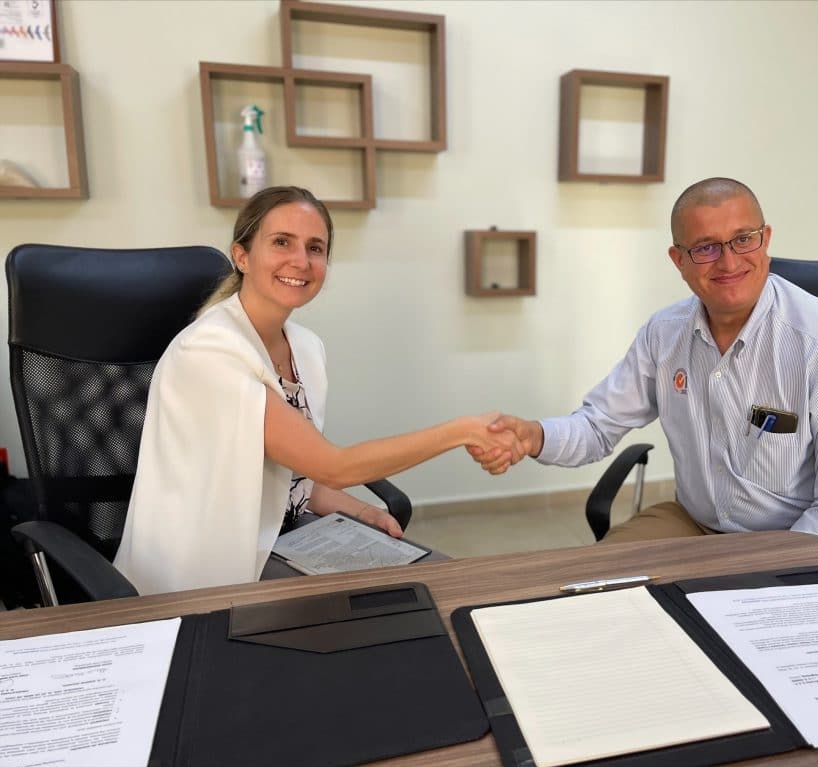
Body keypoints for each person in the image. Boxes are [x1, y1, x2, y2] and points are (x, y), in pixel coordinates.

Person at [115, 186, 522, 595]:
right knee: (403, 606)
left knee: (437, 580)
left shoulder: (306, 348)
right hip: (206, 573)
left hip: (281, 540)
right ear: (242, 256)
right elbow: (333, 466)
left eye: (316, 247)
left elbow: (298, 479)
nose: (301, 261)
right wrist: (463, 431)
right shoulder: (208, 352)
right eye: (281, 243)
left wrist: (362, 511)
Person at [471, 177, 818, 548]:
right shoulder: (664, 334)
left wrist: (765, 572)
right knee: (597, 591)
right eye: (706, 247)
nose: (728, 262)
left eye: (744, 239)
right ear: (678, 260)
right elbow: (597, 427)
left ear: (766, 239)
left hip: (796, 533)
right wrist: (532, 436)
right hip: (695, 523)